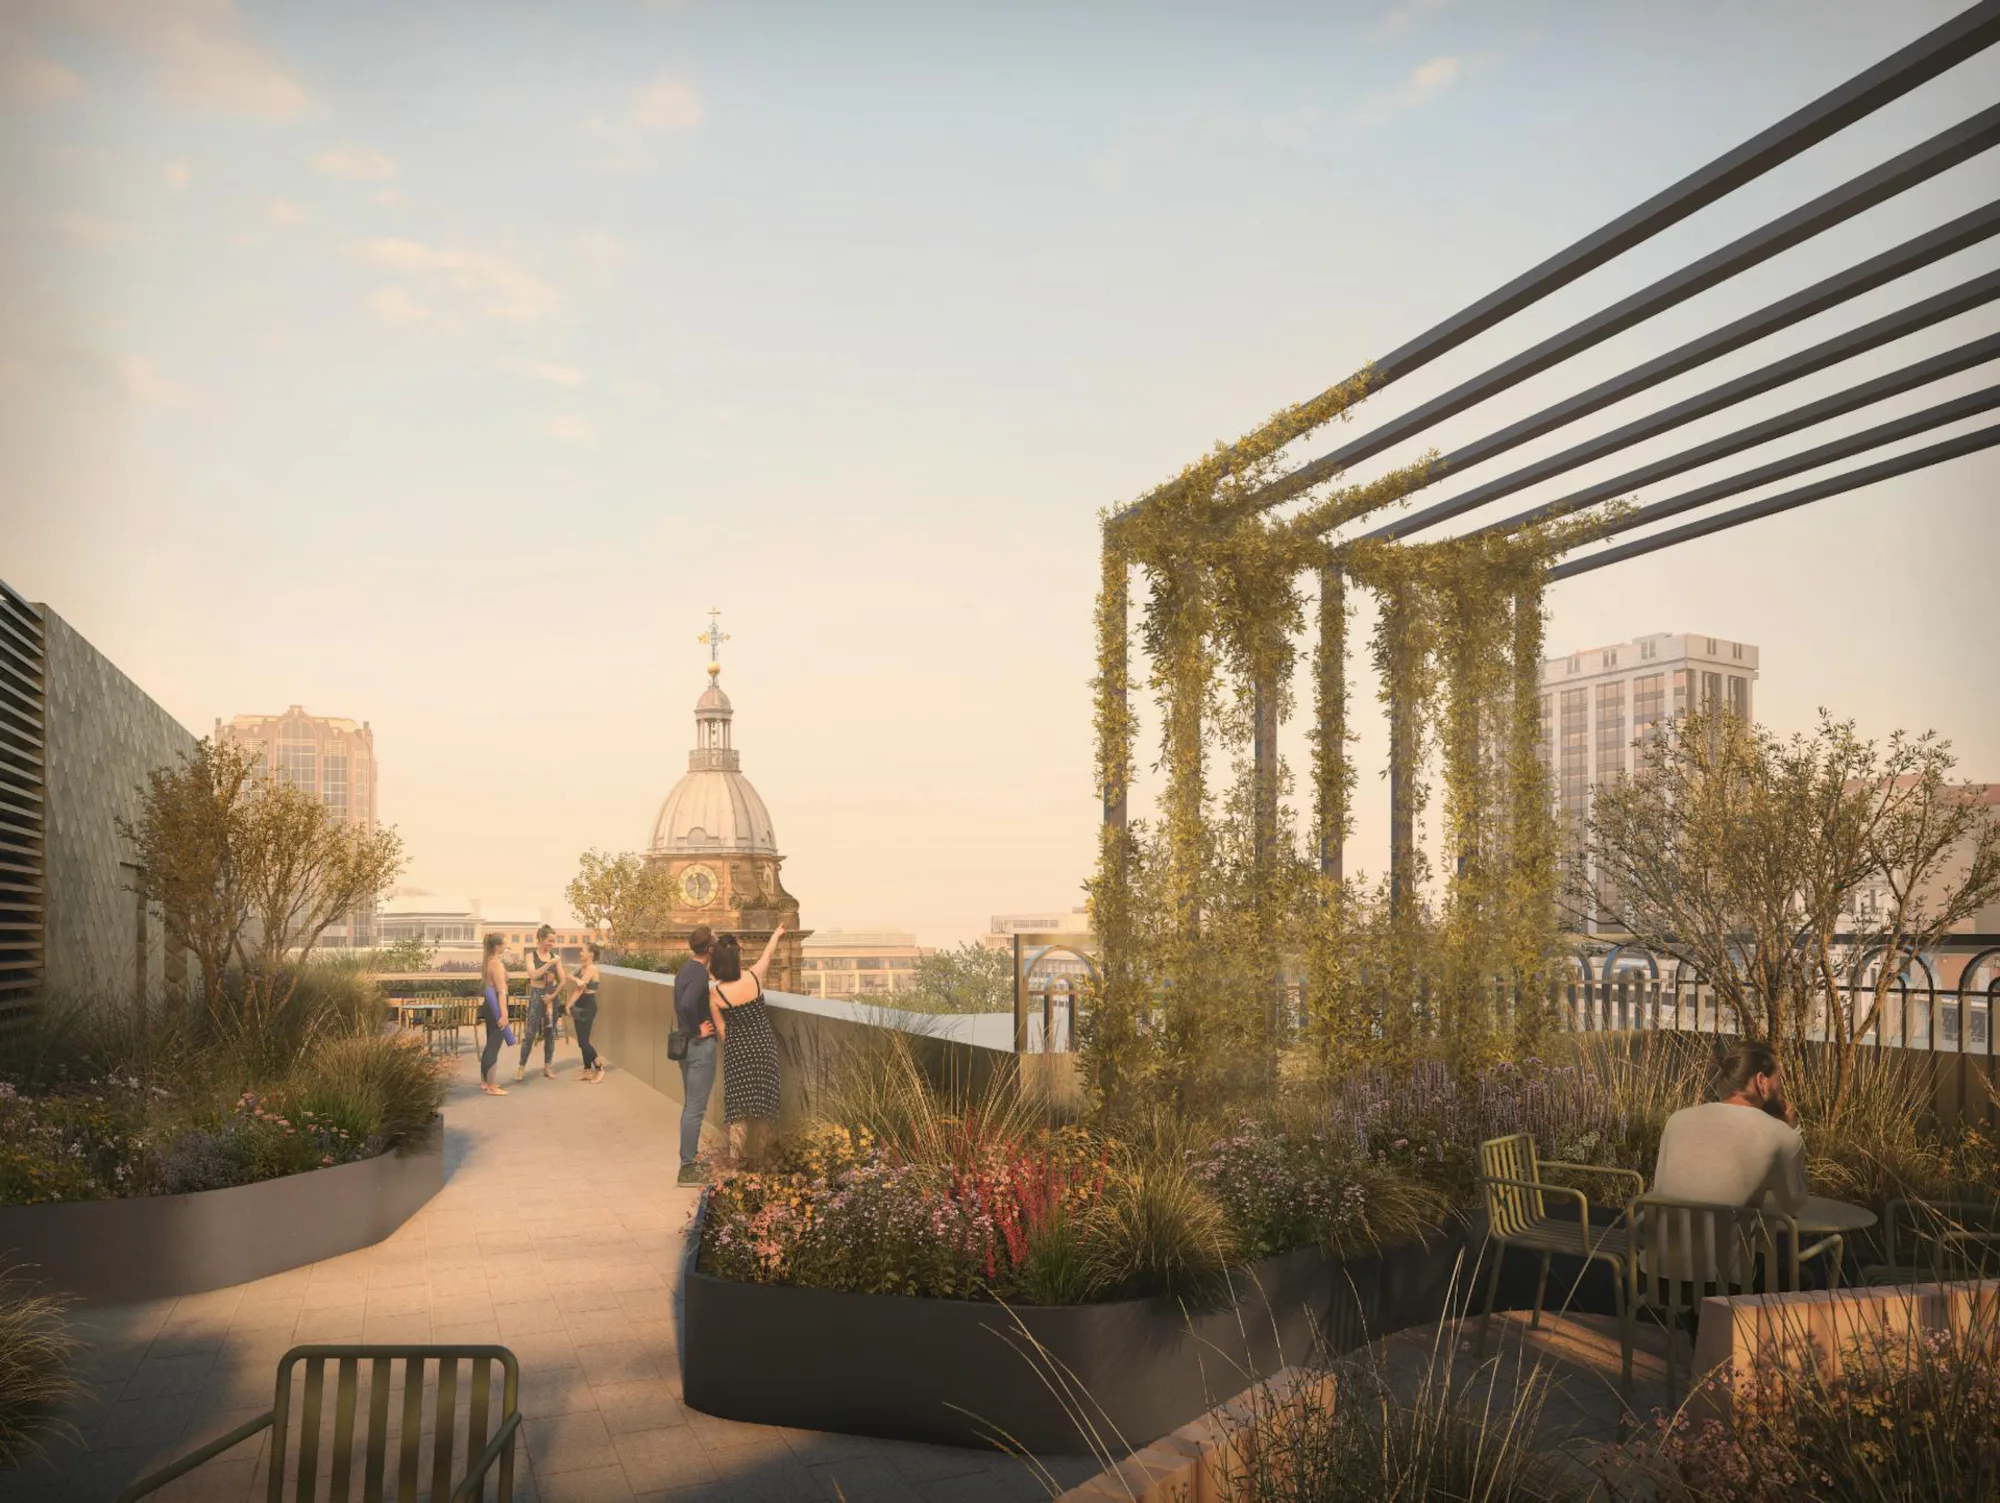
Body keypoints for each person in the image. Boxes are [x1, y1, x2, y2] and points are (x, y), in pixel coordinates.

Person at [1652, 1040, 1808, 1215]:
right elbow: (1794, 1204)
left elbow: (1660, 1190)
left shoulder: (1676, 1120)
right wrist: (1791, 1130)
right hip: (1730, 1242)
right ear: (1761, 1081)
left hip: (1661, 1241)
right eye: (1779, 1080)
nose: (1781, 1089)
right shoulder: (1782, 1134)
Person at [708, 925, 787, 1169]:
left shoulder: (716, 993)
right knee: (763, 1109)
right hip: (763, 1048)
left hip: (738, 1053)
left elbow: (722, 1031)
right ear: (737, 957)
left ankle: (734, 1164)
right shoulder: (754, 976)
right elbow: (768, 955)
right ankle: (761, 1160)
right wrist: (775, 935)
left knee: (738, 1111)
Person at [674, 926, 719, 1186]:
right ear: (710, 949)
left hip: (685, 1047)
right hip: (699, 1047)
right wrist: (698, 1030)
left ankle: (688, 1162)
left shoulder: (685, 970)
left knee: (690, 1106)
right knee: (695, 1108)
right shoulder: (700, 974)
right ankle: (688, 1168)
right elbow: (688, 1004)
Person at [516, 923, 567, 1081]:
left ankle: (548, 1067)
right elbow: (533, 974)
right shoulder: (531, 956)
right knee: (530, 1033)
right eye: (549, 940)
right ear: (540, 939)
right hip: (537, 996)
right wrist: (550, 964)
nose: (552, 944)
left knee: (550, 1033)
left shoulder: (555, 958)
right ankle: (521, 1067)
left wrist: (554, 995)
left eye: (554, 941)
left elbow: (563, 980)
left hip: (551, 998)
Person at [479, 931, 513, 1097]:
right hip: (496, 1007)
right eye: (504, 944)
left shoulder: (489, 962)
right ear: (497, 946)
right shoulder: (495, 964)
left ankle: (485, 1082)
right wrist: (504, 1015)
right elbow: (501, 991)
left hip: (488, 1006)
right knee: (494, 1044)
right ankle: (492, 1086)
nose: (506, 946)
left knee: (490, 1042)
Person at [572, 943, 606, 1083]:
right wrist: (575, 978)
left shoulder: (592, 968)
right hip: (580, 1004)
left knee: (583, 1041)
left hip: (588, 1005)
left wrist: (568, 1005)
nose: (580, 953)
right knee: (581, 1040)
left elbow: (581, 987)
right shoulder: (582, 968)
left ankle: (599, 1068)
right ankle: (587, 1070)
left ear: (590, 954)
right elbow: (570, 976)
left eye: (583, 951)